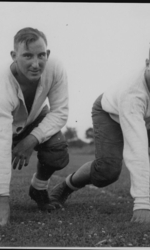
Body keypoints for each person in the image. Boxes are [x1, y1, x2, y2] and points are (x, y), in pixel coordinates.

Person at [0, 27, 69, 226]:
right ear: (14, 56)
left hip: (30, 122)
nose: (35, 63)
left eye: (41, 55)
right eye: (27, 56)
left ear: (47, 54)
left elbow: (60, 111)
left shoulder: (55, 68)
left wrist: (31, 140)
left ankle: (38, 187)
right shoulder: (0, 80)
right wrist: (2, 201)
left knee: (57, 150)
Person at [50, 53, 150, 224]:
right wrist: (143, 203)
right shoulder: (133, 95)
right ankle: (65, 186)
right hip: (109, 112)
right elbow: (137, 148)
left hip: (144, 116)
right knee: (107, 171)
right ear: (148, 63)